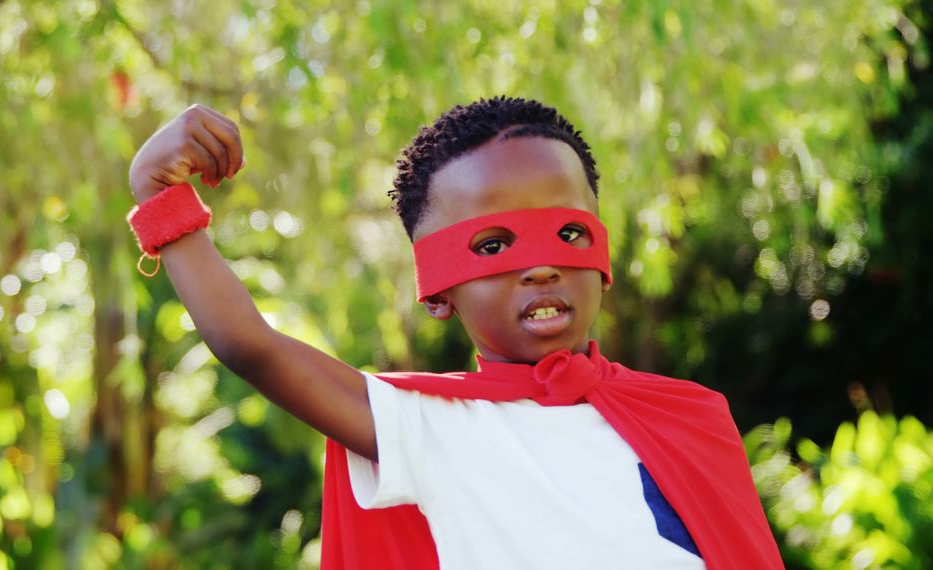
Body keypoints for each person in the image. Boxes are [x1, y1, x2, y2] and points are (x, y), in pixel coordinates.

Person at [125, 97, 783, 569]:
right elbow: (251, 345)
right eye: (494, 245)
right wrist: (161, 199)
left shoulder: (692, 414)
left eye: (569, 234)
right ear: (438, 293)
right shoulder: (425, 427)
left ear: (603, 262)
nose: (541, 265)